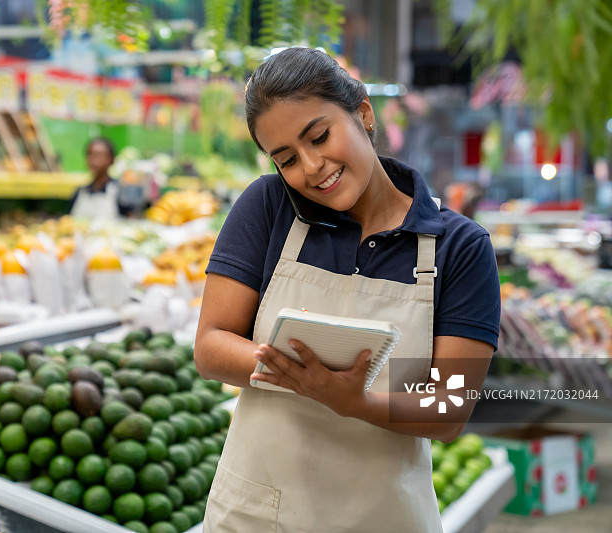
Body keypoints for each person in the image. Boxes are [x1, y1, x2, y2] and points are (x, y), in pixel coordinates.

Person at [194, 47, 500, 532]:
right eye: (287, 159)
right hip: (256, 515)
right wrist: (304, 374)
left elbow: (450, 408)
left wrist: (357, 402)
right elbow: (211, 347)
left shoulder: (459, 247)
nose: (312, 167)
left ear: (363, 113)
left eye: (319, 137)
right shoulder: (269, 207)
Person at [68, 137, 122, 219]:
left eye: (98, 155)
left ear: (112, 160)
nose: (92, 160)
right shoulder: (80, 192)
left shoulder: (119, 191)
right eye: (89, 155)